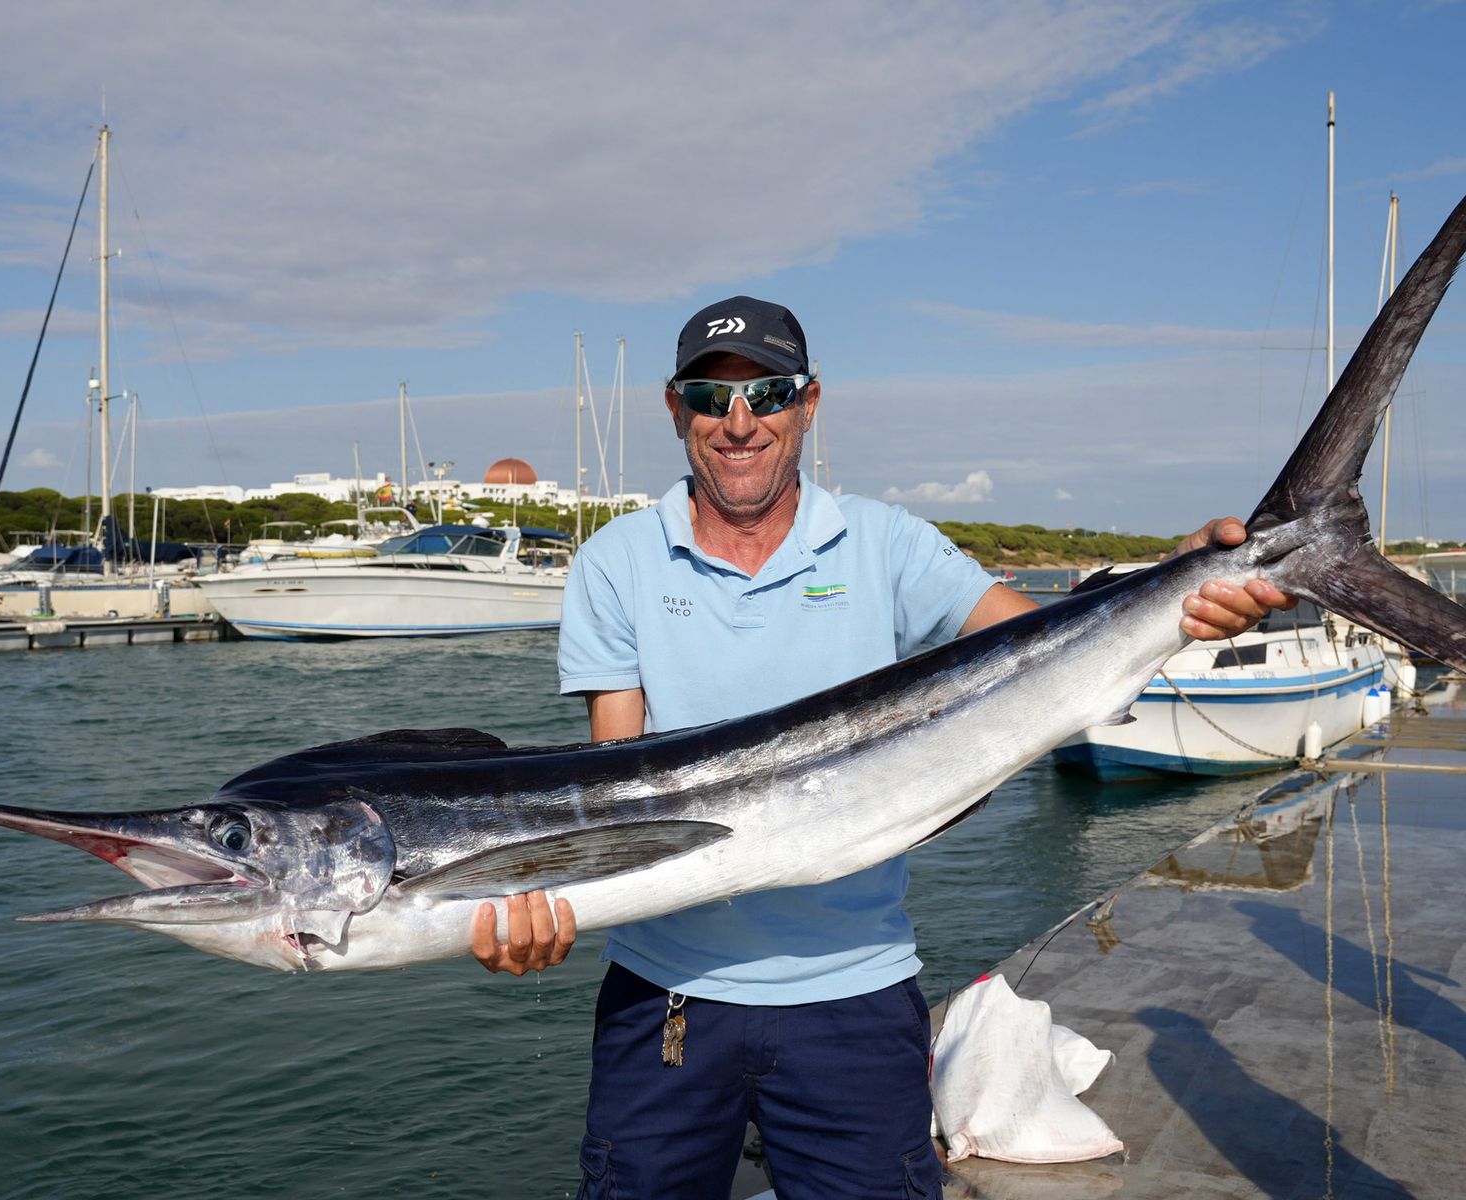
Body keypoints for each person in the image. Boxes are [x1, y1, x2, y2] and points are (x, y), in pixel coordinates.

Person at [472, 296, 1291, 1199]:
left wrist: (1176, 594)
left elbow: (1046, 646)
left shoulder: (886, 542)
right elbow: (616, 791)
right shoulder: (616, 562)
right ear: (676, 411)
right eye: (711, 397)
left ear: (810, 403)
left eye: (769, 394)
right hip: (665, 999)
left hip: (854, 998)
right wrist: (548, 907)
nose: (739, 423)